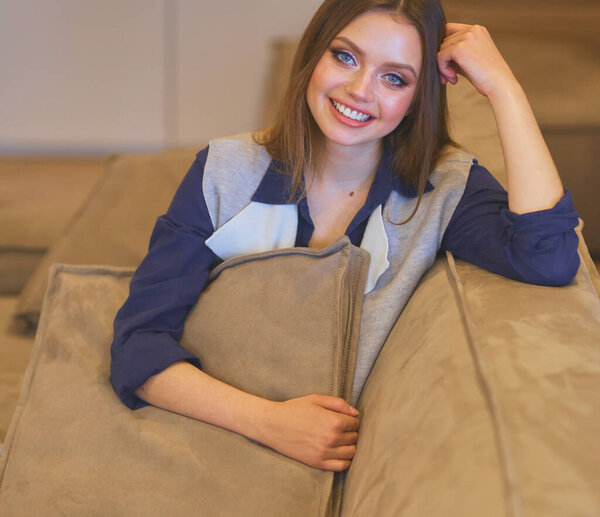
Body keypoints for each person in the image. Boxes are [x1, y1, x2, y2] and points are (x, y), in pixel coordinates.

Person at [110, 0, 580, 473]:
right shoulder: (222, 171)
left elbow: (547, 257)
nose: (359, 91)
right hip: (193, 430)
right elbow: (139, 344)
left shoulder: (444, 188)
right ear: (313, 55)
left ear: (420, 99)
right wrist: (270, 421)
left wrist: (503, 88)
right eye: (345, 56)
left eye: (394, 78)